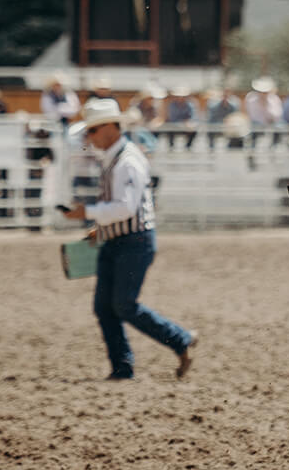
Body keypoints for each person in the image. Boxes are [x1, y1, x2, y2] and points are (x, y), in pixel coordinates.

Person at [63, 97, 198, 380]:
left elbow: (125, 207)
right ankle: (122, 366)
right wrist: (100, 227)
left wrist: (87, 212)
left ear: (109, 128)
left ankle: (179, 339)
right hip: (122, 240)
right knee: (106, 306)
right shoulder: (118, 158)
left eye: (92, 131)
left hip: (134, 242)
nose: (89, 138)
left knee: (123, 305)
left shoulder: (127, 161)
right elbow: (123, 208)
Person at [244, 76, 282, 146]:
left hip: (271, 123)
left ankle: (273, 148)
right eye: (261, 92)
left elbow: (277, 116)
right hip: (256, 123)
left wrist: (266, 107)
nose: (262, 94)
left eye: (265, 92)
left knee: (280, 127)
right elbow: (252, 115)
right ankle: (252, 150)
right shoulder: (251, 99)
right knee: (254, 128)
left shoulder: (274, 99)